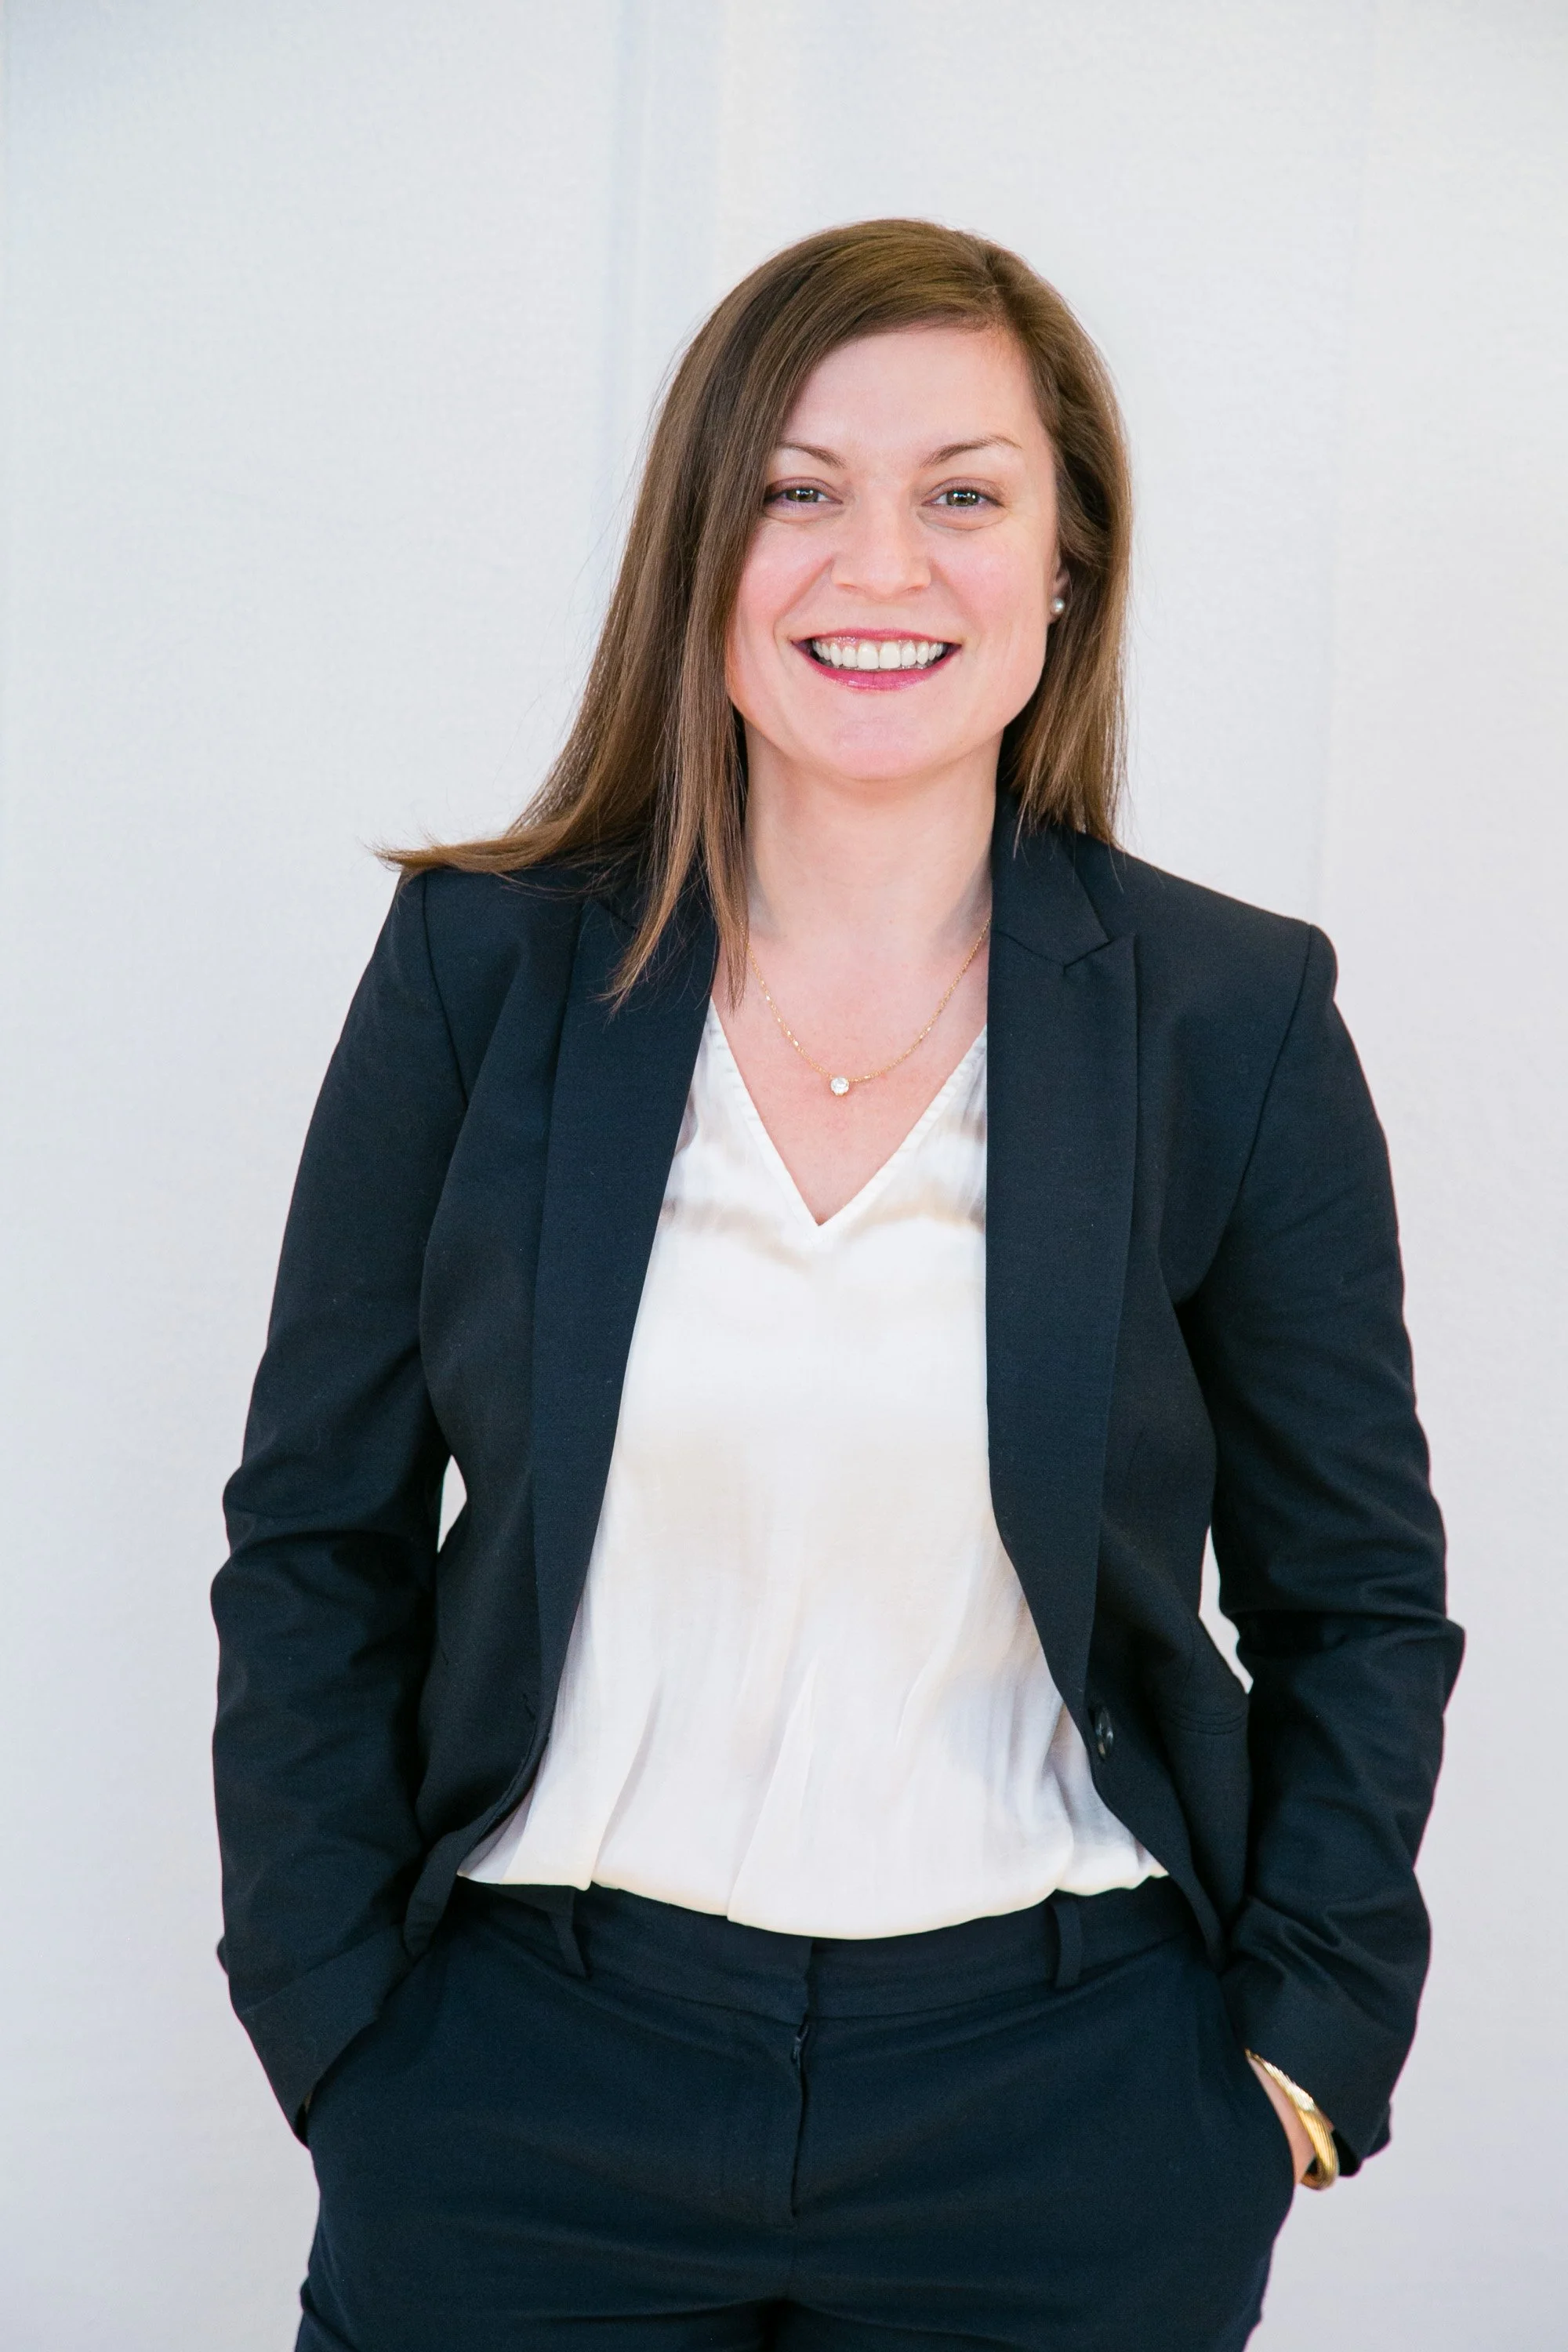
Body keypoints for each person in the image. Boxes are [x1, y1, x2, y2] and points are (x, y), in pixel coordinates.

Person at [212, 219, 1461, 2352]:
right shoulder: (481, 976)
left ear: (1065, 570)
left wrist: (1294, 2075)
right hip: (523, 2084)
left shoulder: (1225, 1019)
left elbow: (1357, 1597)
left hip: (1065, 2111)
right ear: (700, 562)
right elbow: (318, 1544)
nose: (881, 564)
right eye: (798, 491)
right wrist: (344, 2032)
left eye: (964, 494)